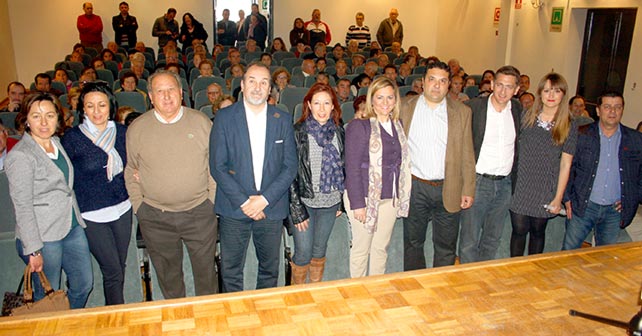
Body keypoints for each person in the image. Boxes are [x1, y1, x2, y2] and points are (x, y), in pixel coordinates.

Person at [124, 71, 218, 299]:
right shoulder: (137, 128)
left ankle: (209, 318)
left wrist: (210, 203)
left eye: (171, 90)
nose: (166, 96)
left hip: (199, 213)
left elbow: (214, 166)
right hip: (156, 217)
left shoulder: (201, 122)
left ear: (181, 93)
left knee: (207, 274)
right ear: (150, 97)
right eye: (160, 91)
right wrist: (140, 207)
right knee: (169, 277)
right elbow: (130, 170)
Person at [210, 62, 297, 292]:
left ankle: (265, 317)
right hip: (234, 206)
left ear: (270, 89)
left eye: (264, 82)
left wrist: (264, 200)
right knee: (231, 270)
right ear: (242, 85)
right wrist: (246, 202)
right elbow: (217, 166)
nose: (258, 87)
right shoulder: (225, 117)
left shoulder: (283, 119)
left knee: (270, 270)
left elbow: (290, 167)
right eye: (252, 81)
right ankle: (235, 320)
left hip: (271, 207)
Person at [6, 92, 93, 309]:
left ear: (58, 118)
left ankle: (67, 325)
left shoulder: (56, 142)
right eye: (36, 116)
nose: (44, 122)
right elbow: (22, 205)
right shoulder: (21, 155)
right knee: (47, 296)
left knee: (84, 284)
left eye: (50, 115)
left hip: (71, 226)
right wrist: (33, 249)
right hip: (43, 236)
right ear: (26, 119)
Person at [60, 82, 131, 305]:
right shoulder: (72, 139)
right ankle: (117, 318)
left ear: (110, 106)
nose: (97, 111)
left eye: (102, 105)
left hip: (123, 208)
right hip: (92, 214)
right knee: (112, 270)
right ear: (83, 109)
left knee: (120, 266)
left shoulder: (122, 132)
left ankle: (113, 311)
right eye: (90, 106)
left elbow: (134, 163)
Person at [400, 61, 476, 269]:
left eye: (442, 81)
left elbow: (468, 153)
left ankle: (441, 289)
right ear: (423, 82)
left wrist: (468, 188)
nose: (436, 85)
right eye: (432, 79)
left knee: (446, 246)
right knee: (413, 243)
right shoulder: (405, 107)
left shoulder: (462, 112)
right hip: (415, 186)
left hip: (448, 186)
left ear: (449, 84)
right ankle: (414, 285)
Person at [345, 76, 411, 277]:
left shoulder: (398, 125)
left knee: (380, 249)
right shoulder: (360, 126)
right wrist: (358, 204)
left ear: (395, 100)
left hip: (390, 197)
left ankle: (375, 290)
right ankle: (358, 294)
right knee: (361, 250)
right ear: (371, 100)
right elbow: (352, 167)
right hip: (364, 197)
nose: (385, 103)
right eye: (380, 97)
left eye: (390, 98)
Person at [458, 66, 522, 264]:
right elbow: (462, 146)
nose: (503, 91)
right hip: (478, 182)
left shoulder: (518, 110)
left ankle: (483, 276)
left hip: (504, 185)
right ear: (492, 84)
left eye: (509, 87)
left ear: (517, 90)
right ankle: (468, 280)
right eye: (500, 85)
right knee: (469, 239)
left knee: (493, 238)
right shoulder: (474, 107)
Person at [509, 72, 577, 256]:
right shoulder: (525, 117)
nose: (551, 95)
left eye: (556, 91)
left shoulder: (569, 124)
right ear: (540, 93)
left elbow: (565, 165)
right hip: (522, 185)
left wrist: (558, 197)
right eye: (547, 91)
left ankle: (533, 273)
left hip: (546, 187)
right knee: (518, 231)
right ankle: (514, 272)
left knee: (538, 232)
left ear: (563, 94)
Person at [563, 91, 642, 250]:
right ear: (598, 111)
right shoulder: (581, 134)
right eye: (607, 107)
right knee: (567, 254)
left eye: (617, 107)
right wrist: (566, 198)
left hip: (614, 211)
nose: (612, 111)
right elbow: (568, 168)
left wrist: (631, 198)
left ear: (622, 110)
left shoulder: (635, 139)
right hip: (583, 206)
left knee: (604, 259)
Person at [288, 83, 345, 284]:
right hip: (304, 203)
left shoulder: (339, 131)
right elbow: (289, 173)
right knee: (303, 252)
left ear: (333, 107)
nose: (322, 109)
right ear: (309, 106)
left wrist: (341, 202)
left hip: (330, 202)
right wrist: (296, 209)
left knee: (319, 250)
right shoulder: (297, 132)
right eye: (317, 103)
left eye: (326, 103)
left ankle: (315, 290)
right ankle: (297, 294)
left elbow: (344, 167)